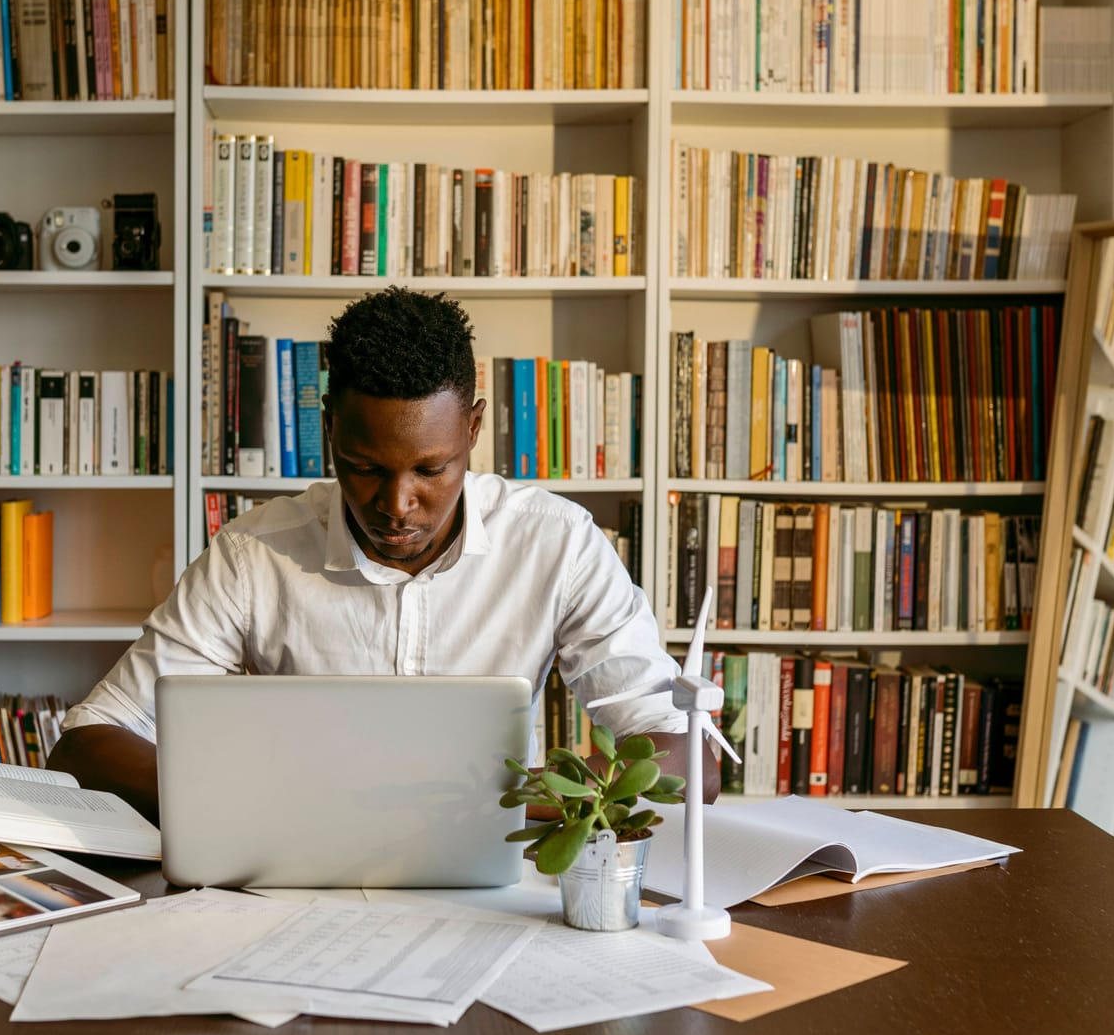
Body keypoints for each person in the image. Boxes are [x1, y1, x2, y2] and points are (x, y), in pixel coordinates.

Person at [48, 287, 715, 822]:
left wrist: (491, 804)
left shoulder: (557, 543)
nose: (397, 504)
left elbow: (690, 756)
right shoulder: (254, 555)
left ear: (474, 429)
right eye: (364, 467)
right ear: (330, 429)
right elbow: (87, 743)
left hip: (497, 875)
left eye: (432, 470)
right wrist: (258, 805)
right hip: (296, 866)